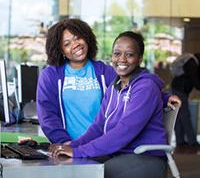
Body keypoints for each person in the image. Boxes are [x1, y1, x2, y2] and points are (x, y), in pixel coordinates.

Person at [37, 18, 180, 144]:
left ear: (86, 38)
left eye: (77, 38)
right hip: (70, 145)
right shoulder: (50, 75)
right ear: (60, 50)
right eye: (67, 43)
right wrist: (65, 143)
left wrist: (164, 96)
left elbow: (136, 87)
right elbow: (47, 116)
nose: (75, 44)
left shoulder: (106, 71)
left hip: (102, 145)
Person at [49, 31, 170, 178]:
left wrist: (78, 151)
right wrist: (71, 146)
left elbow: (124, 131)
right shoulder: (114, 86)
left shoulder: (146, 87)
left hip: (145, 157)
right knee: (73, 166)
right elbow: (98, 127)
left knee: (93, 172)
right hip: (119, 154)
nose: (122, 59)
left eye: (129, 54)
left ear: (139, 59)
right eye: (117, 54)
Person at [171, 53, 200, 146]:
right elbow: (194, 78)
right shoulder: (191, 62)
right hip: (180, 91)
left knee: (179, 117)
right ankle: (192, 141)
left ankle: (180, 141)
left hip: (176, 89)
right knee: (185, 116)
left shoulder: (189, 61)